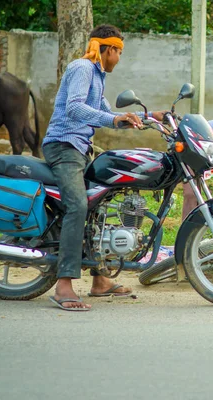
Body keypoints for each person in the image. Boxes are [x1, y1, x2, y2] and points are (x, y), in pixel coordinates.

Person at [42, 24, 164, 311]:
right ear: (108, 49)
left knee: (99, 203)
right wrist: (113, 120)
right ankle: (63, 286)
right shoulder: (83, 68)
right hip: (63, 146)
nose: (119, 58)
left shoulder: (97, 75)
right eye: (119, 51)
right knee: (78, 206)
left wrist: (149, 118)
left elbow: (108, 114)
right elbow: (74, 108)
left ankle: (100, 280)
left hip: (79, 149)